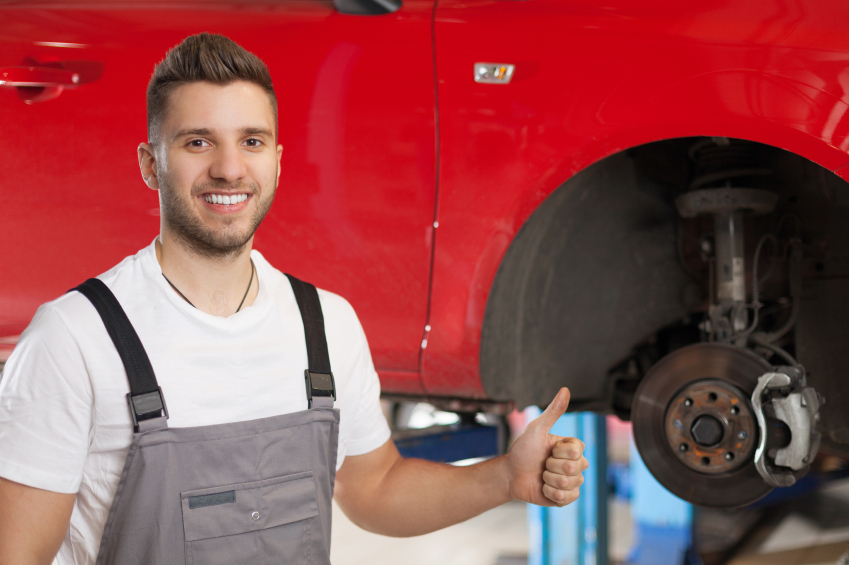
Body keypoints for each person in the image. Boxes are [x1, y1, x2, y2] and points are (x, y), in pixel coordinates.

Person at [0, 33, 588, 565]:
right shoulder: (75, 339)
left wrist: (504, 478)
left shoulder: (325, 326)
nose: (229, 169)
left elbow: (375, 488)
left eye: (251, 141)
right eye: (198, 142)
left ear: (277, 162)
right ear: (150, 165)